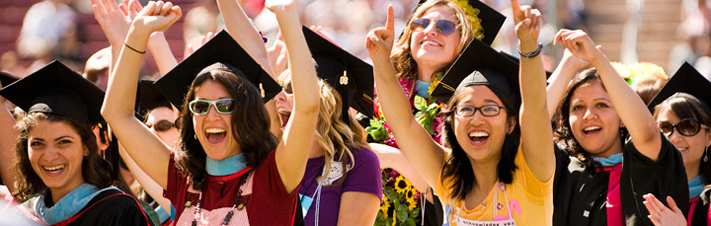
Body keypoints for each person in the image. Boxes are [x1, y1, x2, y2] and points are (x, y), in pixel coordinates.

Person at [100, 1, 320, 225]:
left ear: (246, 114)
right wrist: (137, 34)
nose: (211, 116)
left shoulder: (273, 178)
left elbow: (307, 108)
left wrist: (287, 16)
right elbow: (117, 115)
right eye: (200, 107)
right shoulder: (181, 178)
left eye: (225, 105)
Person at [366, 0, 555, 224]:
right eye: (465, 109)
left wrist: (528, 46)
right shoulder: (448, 179)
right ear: (452, 121)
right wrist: (381, 61)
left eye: (489, 109)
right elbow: (403, 124)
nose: (476, 119)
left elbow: (535, 108)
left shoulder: (532, 175)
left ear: (511, 123)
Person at [549, 29, 688, 226]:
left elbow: (647, 134)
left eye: (601, 105)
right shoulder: (561, 170)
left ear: (623, 117)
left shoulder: (646, 168)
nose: (589, 115)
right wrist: (567, 66)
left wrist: (599, 60)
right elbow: (530, 128)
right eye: (578, 107)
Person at [0, 60, 153, 225]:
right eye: (37, 143)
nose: (50, 156)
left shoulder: (118, 211)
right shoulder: (23, 216)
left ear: (87, 146)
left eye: (63, 142)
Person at [273, 27, 382, 225]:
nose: (279, 97)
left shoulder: (358, 163)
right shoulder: (273, 158)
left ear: (324, 102)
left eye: (292, 89)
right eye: (280, 89)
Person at [642, 62, 711, 226]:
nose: (674, 137)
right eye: (664, 128)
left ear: (709, 137)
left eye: (688, 126)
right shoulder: (638, 194)